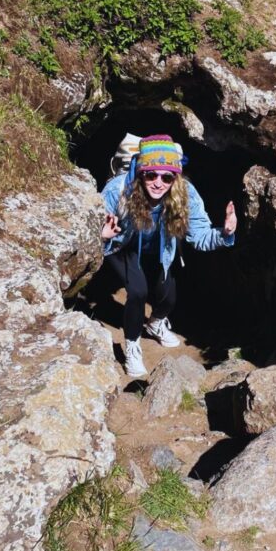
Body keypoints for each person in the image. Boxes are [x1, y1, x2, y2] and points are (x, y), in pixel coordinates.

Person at [100, 134, 236, 378]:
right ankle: (132, 346)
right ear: (141, 173)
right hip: (122, 244)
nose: (158, 183)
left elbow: (199, 235)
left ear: (176, 177)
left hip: (160, 248)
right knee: (138, 291)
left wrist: (224, 233)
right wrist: (102, 235)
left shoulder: (186, 194)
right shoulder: (117, 190)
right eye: (151, 174)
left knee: (168, 296)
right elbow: (90, 230)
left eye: (167, 176)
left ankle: (155, 323)